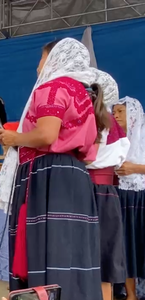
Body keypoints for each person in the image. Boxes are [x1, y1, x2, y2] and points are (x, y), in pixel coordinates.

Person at [0, 38, 102, 300]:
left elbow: (46, 135)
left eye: (41, 59)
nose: (37, 67)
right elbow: (89, 151)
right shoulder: (84, 93)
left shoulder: (51, 87)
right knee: (72, 251)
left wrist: (13, 139)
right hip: (75, 176)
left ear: (54, 59)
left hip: (48, 174)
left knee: (45, 248)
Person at [86, 68, 129, 300]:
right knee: (105, 254)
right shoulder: (111, 122)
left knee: (85, 253)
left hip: (81, 190)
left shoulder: (83, 117)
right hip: (106, 192)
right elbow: (120, 155)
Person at [111, 96, 145, 300]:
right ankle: (130, 294)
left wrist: (135, 168)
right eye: (113, 112)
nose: (115, 115)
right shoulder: (114, 139)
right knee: (126, 245)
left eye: (120, 112)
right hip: (122, 197)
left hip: (142, 195)